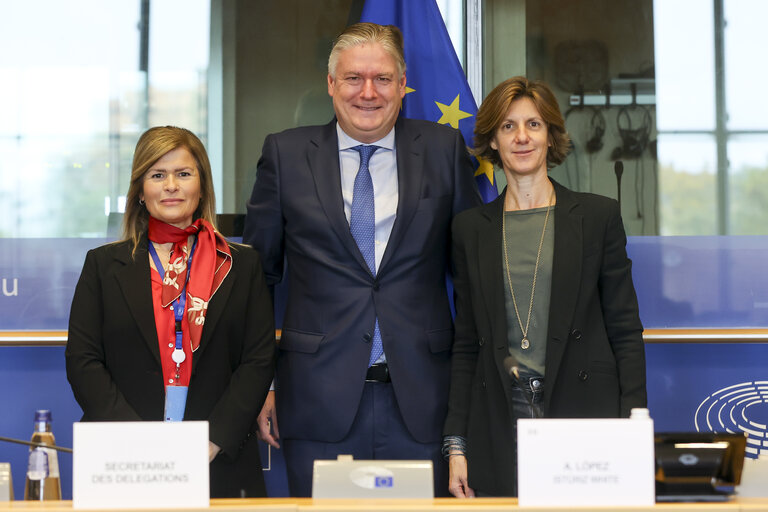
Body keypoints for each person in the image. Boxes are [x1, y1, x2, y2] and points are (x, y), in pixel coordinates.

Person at [243, 22, 481, 497]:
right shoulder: (285, 154)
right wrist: (263, 382)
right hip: (315, 398)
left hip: (422, 399)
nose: (368, 93)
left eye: (382, 78)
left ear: (403, 83)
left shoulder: (442, 149)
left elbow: (473, 276)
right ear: (331, 84)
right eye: (353, 78)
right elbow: (257, 280)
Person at [442, 76, 647, 497]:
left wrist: (635, 422)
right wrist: (456, 443)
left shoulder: (596, 217)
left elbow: (625, 329)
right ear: (493, 141)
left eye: (533, 125)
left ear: (551, 136)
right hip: (499, 411)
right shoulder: (468, 229)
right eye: (508, 126)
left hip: (582, 405)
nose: (522, 137)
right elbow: (466, 343)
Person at [65, 126, 275, 498]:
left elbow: (257, 361)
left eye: (183, 173)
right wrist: (139, 443)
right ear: (140, 191)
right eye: (157, 175)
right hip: (122, 458)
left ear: (201, 184)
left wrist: (213, 440)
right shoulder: (102, 265)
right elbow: (83, 361)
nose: (171, 186)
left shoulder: (240, 265)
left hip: (218, 459)